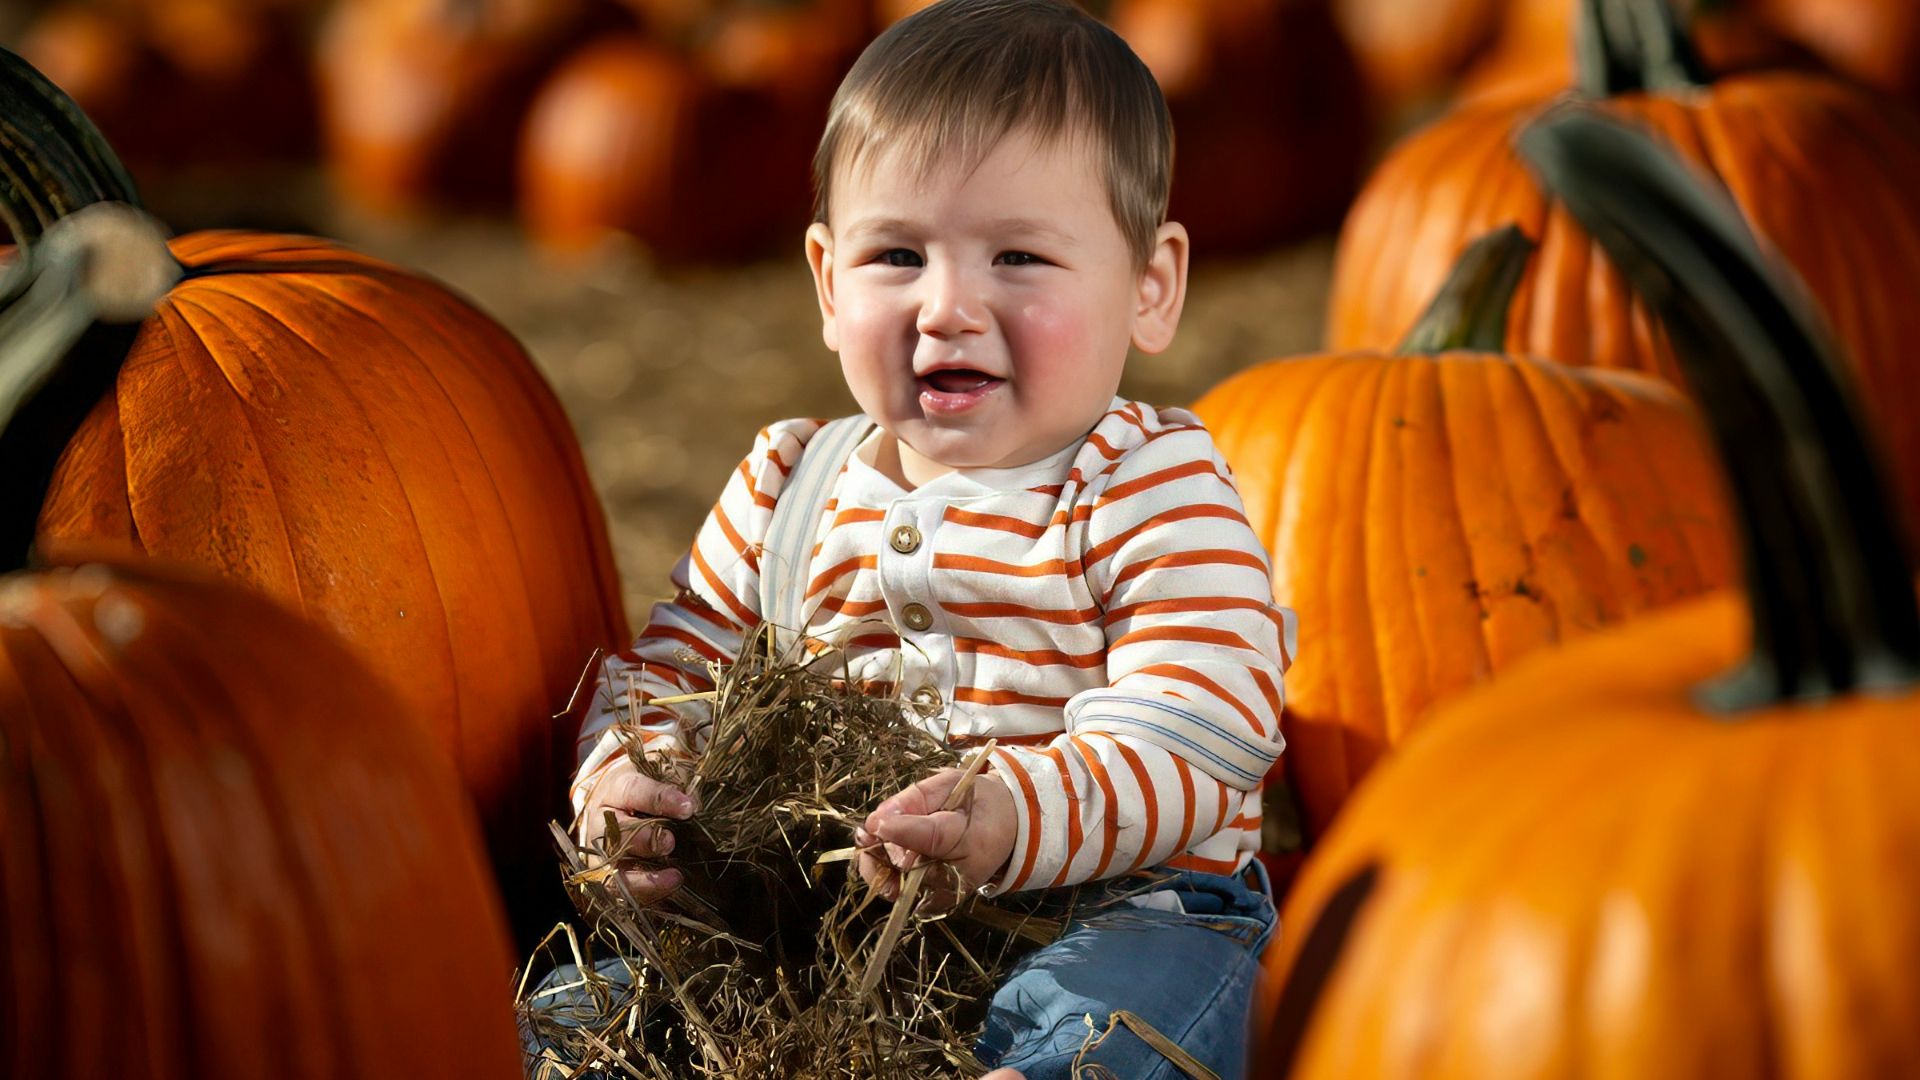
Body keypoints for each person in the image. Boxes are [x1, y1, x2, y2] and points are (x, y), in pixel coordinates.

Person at [545, 0, 1296, 1075]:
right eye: (897, 254)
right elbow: (672, 670)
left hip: (1112, 909)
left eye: (1021, 259)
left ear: (1151, 286)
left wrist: (1010, 816)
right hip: (833, 926)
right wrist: (631, 777)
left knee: (1118, 1031)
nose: (948, 306)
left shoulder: (1151, 486)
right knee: (591, 1003)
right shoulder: (787, 485)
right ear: (825, 282)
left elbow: (1200, 734)